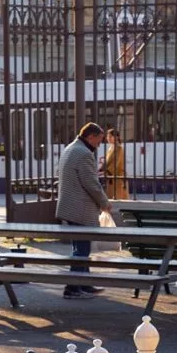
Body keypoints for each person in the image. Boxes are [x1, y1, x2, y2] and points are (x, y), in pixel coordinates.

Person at [55, 121, 111, 300]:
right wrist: (104, 202)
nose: (99, 145)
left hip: (69, 206)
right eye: (99, 140)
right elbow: (91, 184)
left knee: (79, 247)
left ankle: (84, 284)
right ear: (90, 136)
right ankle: (72, 288)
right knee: (82, 249)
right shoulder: (84, 153)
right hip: (80, 208)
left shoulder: (70, 148)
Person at [103, 127, 129, 200]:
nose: (108, 138)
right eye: (108, 136)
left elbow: (116, 163)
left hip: (118, 177)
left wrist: (106, 170)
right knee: (111, 198)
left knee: (119, 198)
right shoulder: (111, 148)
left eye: (110, 136)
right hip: (111, 177)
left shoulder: (119, 148)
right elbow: (107, 161)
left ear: (116, 137)